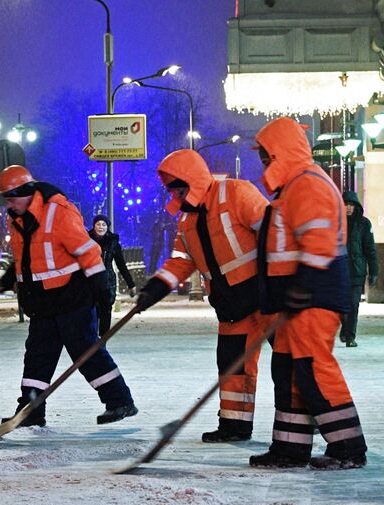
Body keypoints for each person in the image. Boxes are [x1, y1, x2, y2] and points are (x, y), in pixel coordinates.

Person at [250, 116, 366, 470]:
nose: (264, 163)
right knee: (288, 370)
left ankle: (347, 447)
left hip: (312, 296)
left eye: (267, 156)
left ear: (281, 152)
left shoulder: (307, 184)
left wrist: (302, 286)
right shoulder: (294, 186)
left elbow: (318, 239)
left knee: (314, 369)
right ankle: (289, 448)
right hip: (296, 297)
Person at [134, 149, 274, 443]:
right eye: (172, 189)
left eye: (179, 187)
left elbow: (273, 233)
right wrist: (154, 290)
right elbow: (181, 261)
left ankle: (302, 419)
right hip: (231, 306)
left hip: (266, 297)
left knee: (292, 360)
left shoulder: (237, 193)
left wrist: (282, 279)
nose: (176, 194)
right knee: (232, 366)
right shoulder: (186, 222)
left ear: (193, 181)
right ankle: (235, 426)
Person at [0, 165, 137, 426]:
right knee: (37, 357)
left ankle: (120, 401)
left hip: (72, 298)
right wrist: (8, 278)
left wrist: (101, 288)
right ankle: (31, 411)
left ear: (26, 191)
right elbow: (23, 258)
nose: (9, 203)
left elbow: (88, 252)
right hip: (42, 303)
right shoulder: (15, 218)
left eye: (11, 197)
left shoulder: (58, 211)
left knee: (86, 352)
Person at [340, 191, 378, 348]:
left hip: (357, 272)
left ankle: (350, 336)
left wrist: (374, 271)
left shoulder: (364, 224)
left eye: (351, 205)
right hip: (340, 272)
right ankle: (346, 328)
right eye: (346, 204)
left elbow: (370, 249)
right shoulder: (335, 222)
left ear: (356, 207)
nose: (348, 208)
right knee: (341, 306)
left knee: (354, 304)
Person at [88, 214, 136, 336]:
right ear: (93, 226)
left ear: (107, 227)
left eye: (103, 224)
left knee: (105, 311)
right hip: (90, 281)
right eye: (98, 224)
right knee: (91, 312)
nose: (101, 227)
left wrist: (131, 284)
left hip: (107, 282)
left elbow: (121, 265)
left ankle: (103, 339)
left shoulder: (112, 243)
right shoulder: (86, 241)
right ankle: (91, 340)